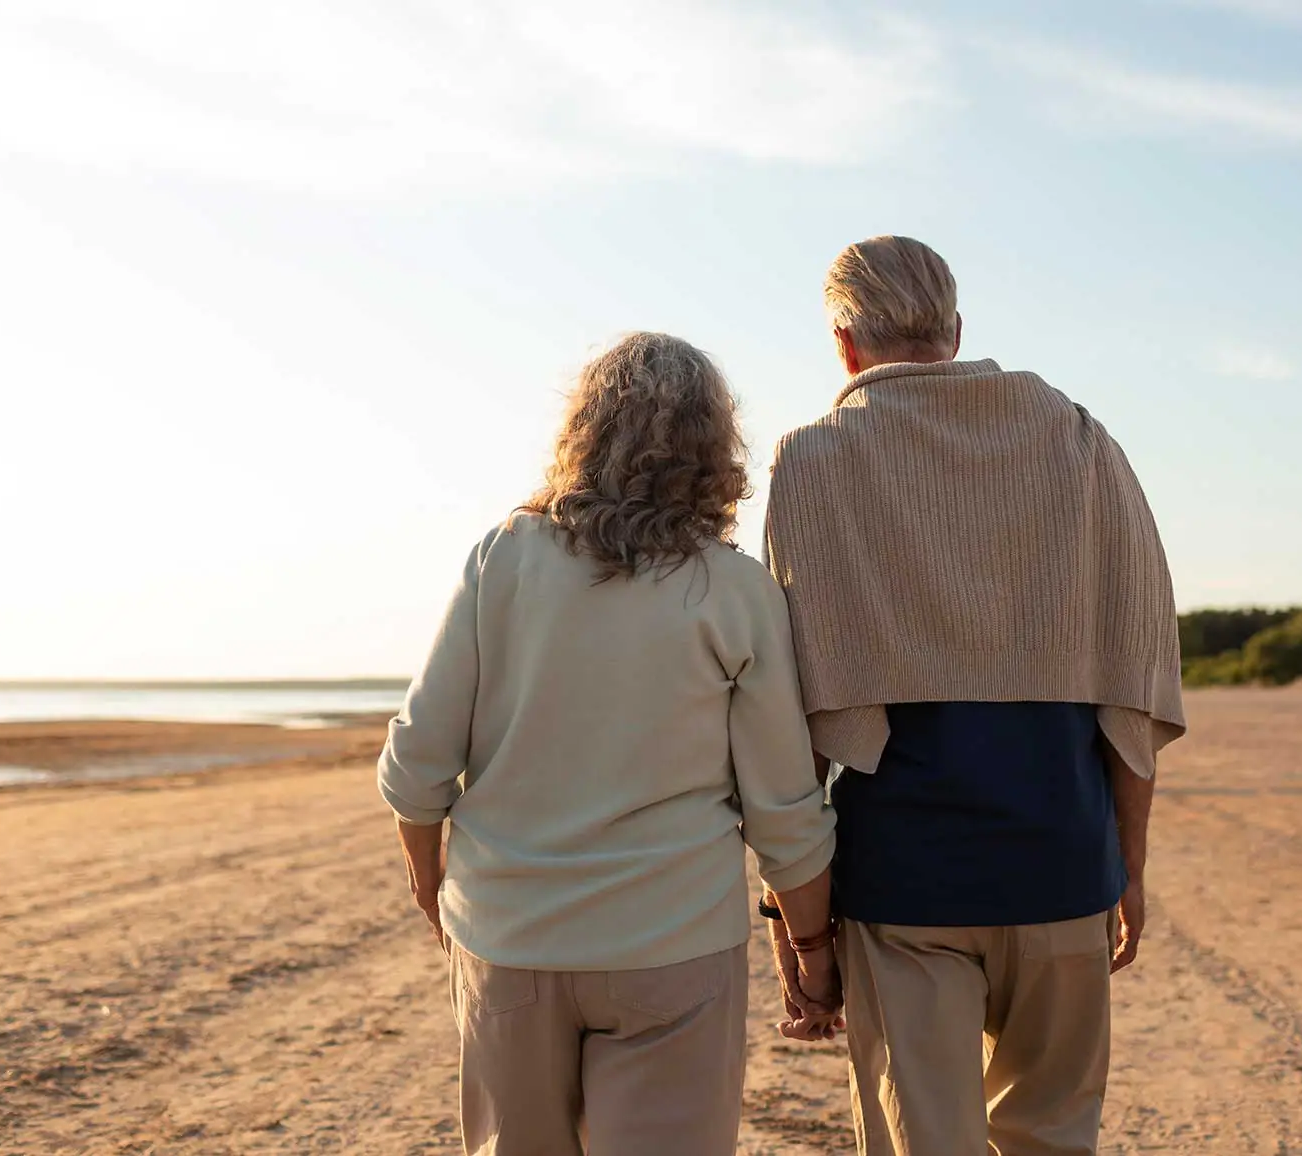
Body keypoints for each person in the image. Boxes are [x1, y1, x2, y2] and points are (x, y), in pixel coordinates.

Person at [762, 236, 1187, 1154]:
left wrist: (795, 927)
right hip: (1066, 861)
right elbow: (1134, 675)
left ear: (845, 346)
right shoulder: (1079, 439)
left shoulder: (812, 460)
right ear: (955, 330)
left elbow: (789, 719)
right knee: (1053, 1139)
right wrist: (1132, 867)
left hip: (902, 876)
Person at [378, 332, 840, 1156]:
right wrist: (811, 946)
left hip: (509, 938)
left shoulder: (505, 557)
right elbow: (783, 807)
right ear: (712, 448)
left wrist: (429, 881)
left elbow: (418, 761)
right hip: (674, 950)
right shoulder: (734, 591)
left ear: (582, 430)